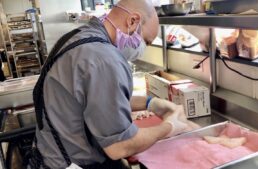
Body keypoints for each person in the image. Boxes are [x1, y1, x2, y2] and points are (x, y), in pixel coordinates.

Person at [30, 0, 197, 168]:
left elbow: (95, 98)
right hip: (69, 163)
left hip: (48, 152)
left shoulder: (81, 35)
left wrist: (150, 103)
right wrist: (169, 127)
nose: (142, 49)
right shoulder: (105, 59)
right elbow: (119, 146)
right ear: (132, 21)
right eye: (146, 41)